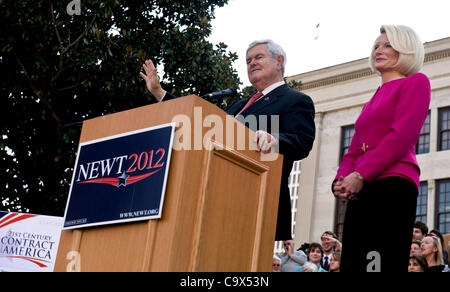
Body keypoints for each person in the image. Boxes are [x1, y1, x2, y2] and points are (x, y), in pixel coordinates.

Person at [140, 40, 316, 241]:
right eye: (248, 60)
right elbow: (199, 125)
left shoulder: (295, 100)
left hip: (256, 201)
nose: (252, 63)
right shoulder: (239, 106)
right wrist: (159, 93)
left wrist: (273, 139)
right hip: (216, 198)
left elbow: (302, 142)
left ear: (279, 61)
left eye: (259, 57)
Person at [331, 25, 431, 272]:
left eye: (388, 45)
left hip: (392, 183)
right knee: (355, 259)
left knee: (378, 261)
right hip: (360, 187)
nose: (379, 49)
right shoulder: (372, 100)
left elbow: (400, 137)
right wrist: (341, 179)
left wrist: (360, 174)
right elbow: (354, 149)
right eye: (376, 45)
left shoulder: (416, 83)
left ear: (406, 49)